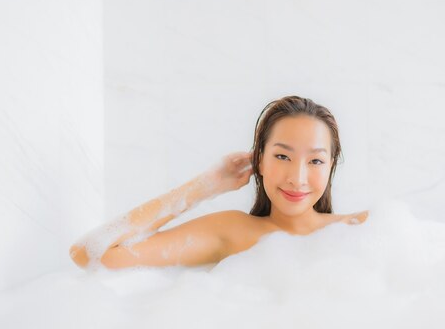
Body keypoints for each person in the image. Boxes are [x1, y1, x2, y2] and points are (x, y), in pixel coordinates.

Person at [69, 95, 369, 269]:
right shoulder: (232, 232)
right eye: (282, 157)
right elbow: (89, 254)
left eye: (315, 161)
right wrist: (204, 187)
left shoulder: (364, 230)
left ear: (331, 166)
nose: (297, 178)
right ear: (260, 161)